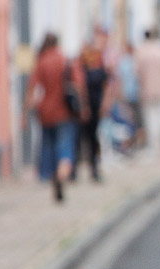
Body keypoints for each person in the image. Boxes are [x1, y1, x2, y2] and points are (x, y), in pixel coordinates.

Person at [27, 33, 84, 203]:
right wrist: (83, 106)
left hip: (46, 112)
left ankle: (52, 178)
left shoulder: (41, 61)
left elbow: (32, 88)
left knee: (49, 148)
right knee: (65, 149)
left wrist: (25, 112)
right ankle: (62, 176)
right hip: (64, 111)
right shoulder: (65, 60)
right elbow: (78, 84)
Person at [75, 27, 114, 181]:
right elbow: (80, 86)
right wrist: (83, 105)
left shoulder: (100, 64)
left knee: (93, 137)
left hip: (96, 105)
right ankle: (75, 170)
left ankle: (94, 169)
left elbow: (106, 86)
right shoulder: (82, 65)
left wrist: (105, 103)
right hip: (84, 105)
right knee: (80, 137)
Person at [136, 29, 160, 158]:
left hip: (148, 89)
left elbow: (138, 72)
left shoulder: (142, 51)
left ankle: (156, 147)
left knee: (152, 120)